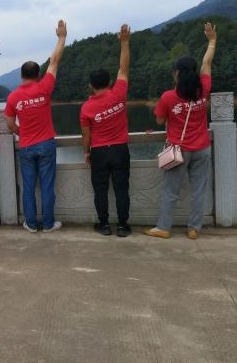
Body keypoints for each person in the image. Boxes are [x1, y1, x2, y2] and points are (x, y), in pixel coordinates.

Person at [144, 22, 217, 240]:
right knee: (198, 191)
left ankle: (164, 227)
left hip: (179, 150)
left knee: (170, 191)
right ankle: (194, 229)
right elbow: (207, 63)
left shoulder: (168, 97)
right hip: (202, 149)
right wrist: (212, 41)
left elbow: (159, 120)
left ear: (176, 73)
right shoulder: (203, 90)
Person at [4, 20, 67, 233]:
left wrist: (21, 131)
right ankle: (48, 224)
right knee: (47, 186)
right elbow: (55, 62)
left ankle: (31, 224)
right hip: (46, 144)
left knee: (29, 186)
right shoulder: (44, 87)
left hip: (27, 146)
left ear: (21, 75)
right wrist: (61, 38)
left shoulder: (13, 97)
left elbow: (10, 124)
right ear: (38, 75)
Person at [80, 25, 132, 237]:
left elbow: (86, 135)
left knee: (100, 190)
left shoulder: (86, 108)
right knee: (121, 189)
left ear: (91, 86)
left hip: (99, 152)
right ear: (110, 82)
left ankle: (103, 225)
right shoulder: (118, 93)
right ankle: (122, 226)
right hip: (120, 149)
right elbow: (124, 68)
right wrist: (124, 43)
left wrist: (87, 152)